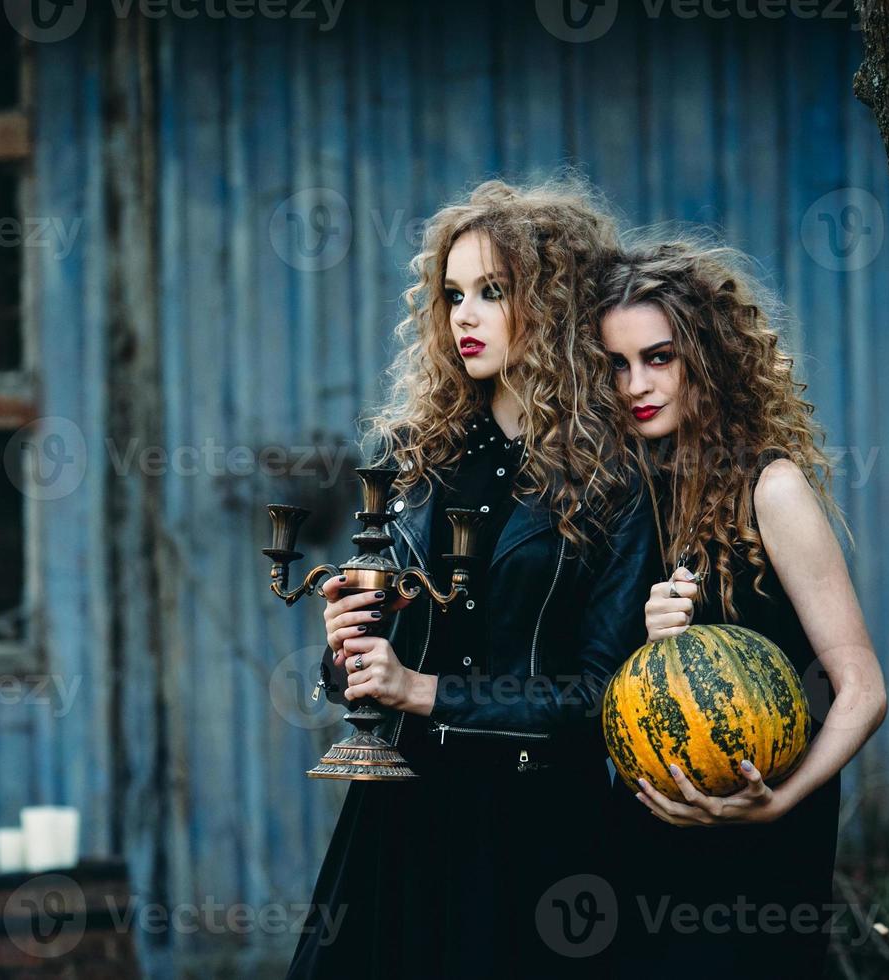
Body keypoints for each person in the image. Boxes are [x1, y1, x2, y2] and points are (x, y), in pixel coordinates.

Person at [285, 179, 656, 979]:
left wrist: (424, 690)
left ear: (554, 305)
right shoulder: (417, 458)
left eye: (493, 291)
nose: (465, 315)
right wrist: (347, 650)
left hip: (539, 826)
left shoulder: (618, 478)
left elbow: (601, 694)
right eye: (453, 294)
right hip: (404, 813)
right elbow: (373, 676)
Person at [593, 237, 889, 978]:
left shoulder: (771, 488)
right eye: (616, 365)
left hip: (760, 840)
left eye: (659, 357)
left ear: (711, 357)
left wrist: (780, 802)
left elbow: (863, 692)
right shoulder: (627, 500)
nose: (637, 383)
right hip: (647, 832)